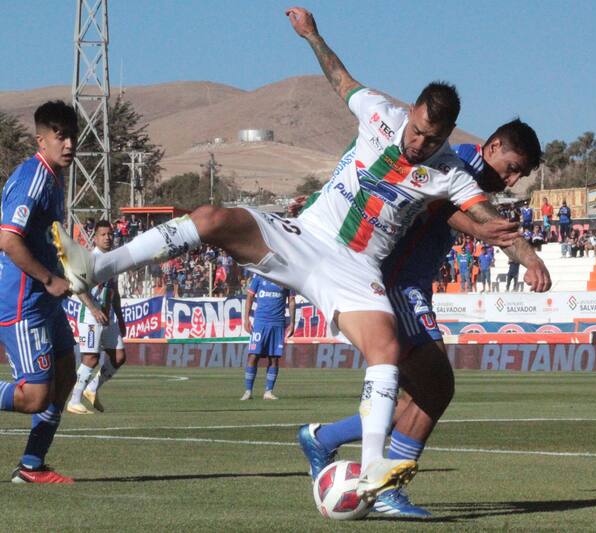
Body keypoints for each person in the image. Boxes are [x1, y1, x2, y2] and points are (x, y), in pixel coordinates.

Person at [53, 7, 551, 503]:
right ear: (413, 111)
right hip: (303, 235)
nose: (420, 143)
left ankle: (373, 465)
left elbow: (485, 215)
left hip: (356, 268)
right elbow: (339, 78)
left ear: (448, 137)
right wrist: (312, 34)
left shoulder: (450, 171)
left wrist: (527, 255)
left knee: (385, 352)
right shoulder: (379, 111)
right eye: (418, 130)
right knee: (211, 219)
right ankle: (97, 265)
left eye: (433, 139)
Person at [297, 119, 541, 517]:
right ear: (493, 146)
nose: (512, 180)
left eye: (521, 175)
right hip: (396, 284)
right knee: (438, 387)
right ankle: (387, 488)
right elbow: (443, 207)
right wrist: (509, 247)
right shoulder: (457, 161)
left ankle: (322, 439)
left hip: (409, 283)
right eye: (512, 167)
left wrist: (521, 253)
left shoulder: (471, 178)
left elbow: (475, 218)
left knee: (411, 400)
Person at [0, 101, 77, 483]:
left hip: (45, 300)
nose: (68, 145)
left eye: (71, 136)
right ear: (41, 139)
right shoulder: (33, 178)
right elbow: (9, 241)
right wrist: (49, 279)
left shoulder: (55, 178)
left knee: (66, 375)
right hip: (23, 301)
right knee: (34, 397)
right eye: (60, 136)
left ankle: (31, 466)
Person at [67, 220, 127, 414]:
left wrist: (120, 316)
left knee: (118, 357)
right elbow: (79, 287)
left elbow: (114, 291)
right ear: (95, 238)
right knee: (91, 358)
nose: (108, 238)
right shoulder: (89, 260)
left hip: (108, 316)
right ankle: (74, 400)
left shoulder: (114, 260)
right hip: (90, 316)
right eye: (103, 234)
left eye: (110, 234)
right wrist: (93, 308)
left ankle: (91, 389)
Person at [241, 273, 295, 401]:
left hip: (278, 323)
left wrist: (292, 322)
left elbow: (291, 301)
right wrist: (246, 319)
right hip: (260, 322)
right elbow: (249, 296)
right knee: (253, 355)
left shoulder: (286, 277)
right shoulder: (259, 276)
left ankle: (268, 392)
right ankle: (248, 391)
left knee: (274, 358)